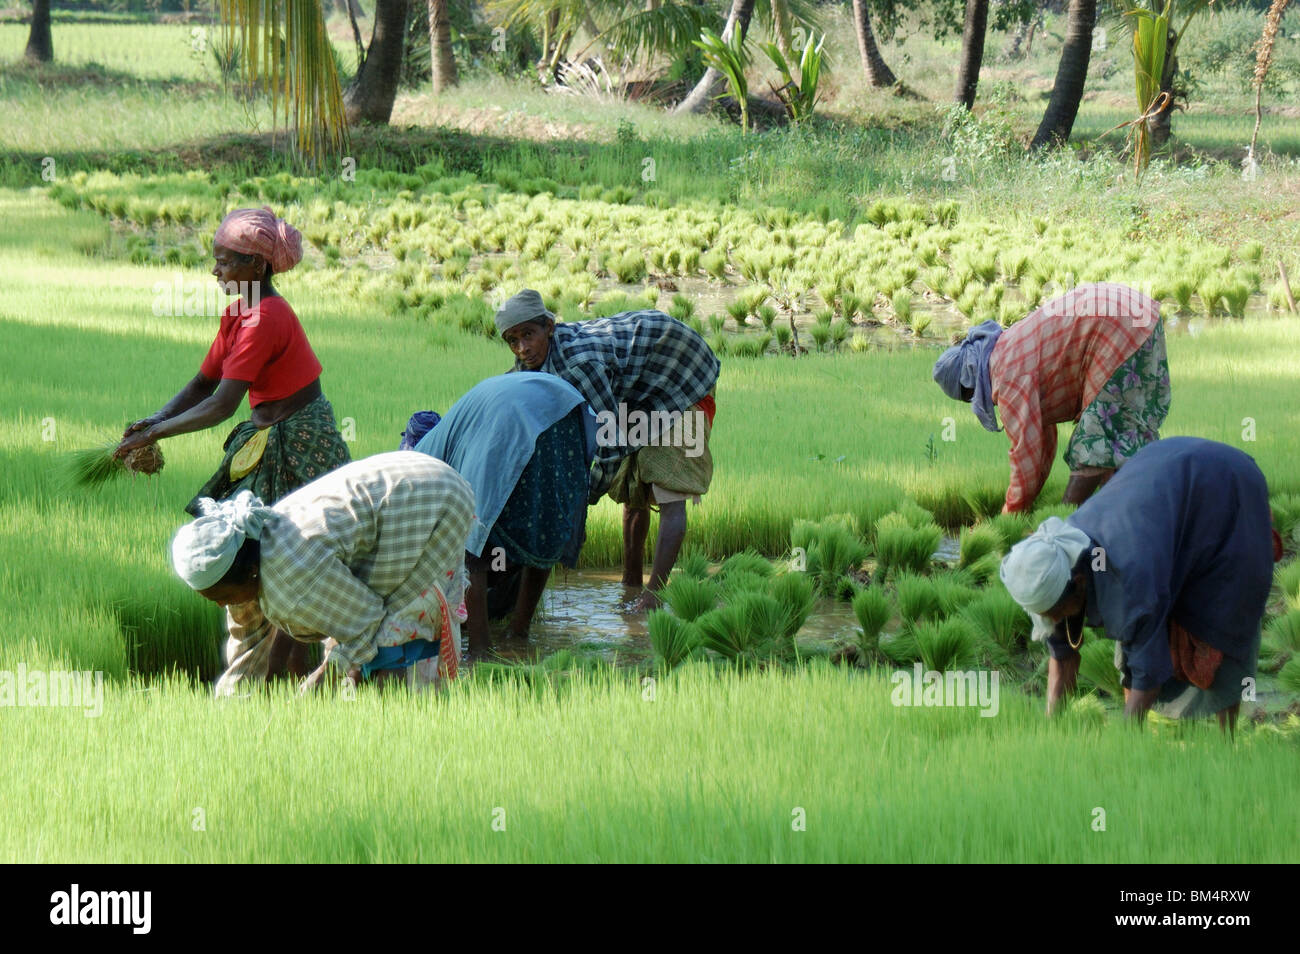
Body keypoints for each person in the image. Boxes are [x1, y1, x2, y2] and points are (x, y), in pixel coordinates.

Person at [116, 207, 351, 681]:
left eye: (225, 262)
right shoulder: (239, 314)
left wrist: (157, 434)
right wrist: (156, 417)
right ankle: (281, 665)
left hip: (297, 441)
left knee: (290, 554)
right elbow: (204, 382)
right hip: (268, 435)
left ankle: (288, 663)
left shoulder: (267, 317)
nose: (215, 271)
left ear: (258, 267)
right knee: (264, 552)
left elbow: (224, 404)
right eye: (215, 260)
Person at [999, 438, 1275, 731]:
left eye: (1054, 612)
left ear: (1080, 584)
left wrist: (1125, 742)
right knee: (1140, 631)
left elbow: (1147, 674)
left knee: (1221, 626)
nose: (1051, 620)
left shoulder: (1126, 576)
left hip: (1225, 489)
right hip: (1165, 491)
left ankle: (1226, 741)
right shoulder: (1051, 567)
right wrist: (1052, 729)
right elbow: (1062, 653)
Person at [170, 452, 474, 696]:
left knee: (392, 639)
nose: (219, 604)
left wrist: (323, 678)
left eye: (221, 596)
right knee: (359, 650)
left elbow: (365, 623)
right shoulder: (245, 544)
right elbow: (247, 649)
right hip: (408, 479)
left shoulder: (289, 580)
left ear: (249, 571)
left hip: (431, 503)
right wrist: (233, 704)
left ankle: (406, 719)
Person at [494, 289, 720, 612]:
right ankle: (630, 586)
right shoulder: (530, 360)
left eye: (528, 335)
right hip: (638, 382)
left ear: (549, 326)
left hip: (678, 374)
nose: (522, 348)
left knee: (669, 487)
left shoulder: (579, 365)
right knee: (632, 488)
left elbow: (611, 445)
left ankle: (652, 600)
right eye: (513, 341)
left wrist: (579, 499)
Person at [932, 282, 1170, 513]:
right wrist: (1028, 500)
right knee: (1118, 445)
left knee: (1094, 442)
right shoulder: (1005, 349)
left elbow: (1026, 453)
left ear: (971, 383)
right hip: (1136, 314)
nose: (987, 403)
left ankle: (1061, 531)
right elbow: (1041, 445)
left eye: (970, 398)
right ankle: (1125, 526)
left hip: (1117, 325)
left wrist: (1012, 512)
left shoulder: (1007, 376)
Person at [412, 373, 596, 656]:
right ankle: (518, 634)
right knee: (544, 528)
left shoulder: (419, 467)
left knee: (474, 545)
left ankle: (479, 648)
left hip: (510, 419)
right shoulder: (448, 440)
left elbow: (456, 545)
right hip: (565, 409)